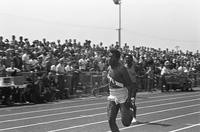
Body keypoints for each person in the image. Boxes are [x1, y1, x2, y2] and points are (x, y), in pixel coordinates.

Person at [107, 49, 134, 132]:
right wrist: (98, 89)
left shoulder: (122, 69)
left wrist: (129, 99)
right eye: (108, 56)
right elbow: (112, 82)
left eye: (111, 57)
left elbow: (129, 85)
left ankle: (131, 112)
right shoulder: (109, 68)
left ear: (116, 58)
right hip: (112, 96)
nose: (108, 58)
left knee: (126, 123)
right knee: (110, 120)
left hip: (123, 96)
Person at [124, 54, 138, 123]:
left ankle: (134, 117)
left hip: (133, 86)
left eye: (128, 59)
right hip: (125, 86)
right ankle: (128, 116)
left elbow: (139, 65)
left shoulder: (135, 66)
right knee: (126, 103)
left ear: (131, 60)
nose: (127, 60)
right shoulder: (124, 67)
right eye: (126, 59)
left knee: (132, 102)